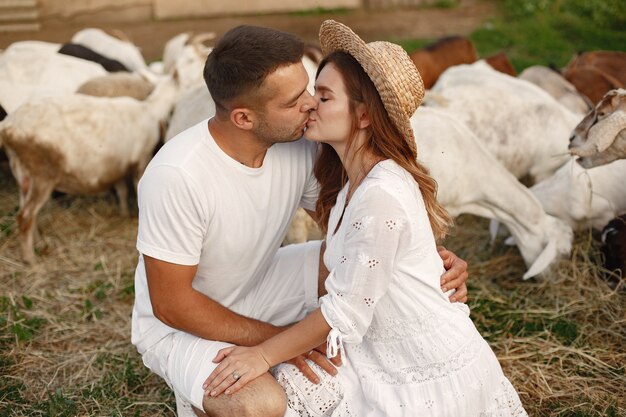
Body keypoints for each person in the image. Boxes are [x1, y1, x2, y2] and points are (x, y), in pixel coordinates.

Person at [131, 24, 469, 417]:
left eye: (311, 89)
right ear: (243, 118)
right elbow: (172, 304)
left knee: (361, 267)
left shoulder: (296, 146)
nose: (311, 104)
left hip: (261, 281)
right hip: (181, 321)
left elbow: (359, 233)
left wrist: (426, 261)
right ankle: (197, 391)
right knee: (259, 405)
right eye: (294, 101)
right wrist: (278, 346)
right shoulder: (178, 175)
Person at [202, 20, 527, 417]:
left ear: (364, 115)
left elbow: (345, 312)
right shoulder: (350, 182)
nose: (309, 104)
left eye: (323, 96)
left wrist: (262, 355)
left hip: (424, 368)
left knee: (275, 384)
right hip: (378, 348)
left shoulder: (380, 192)